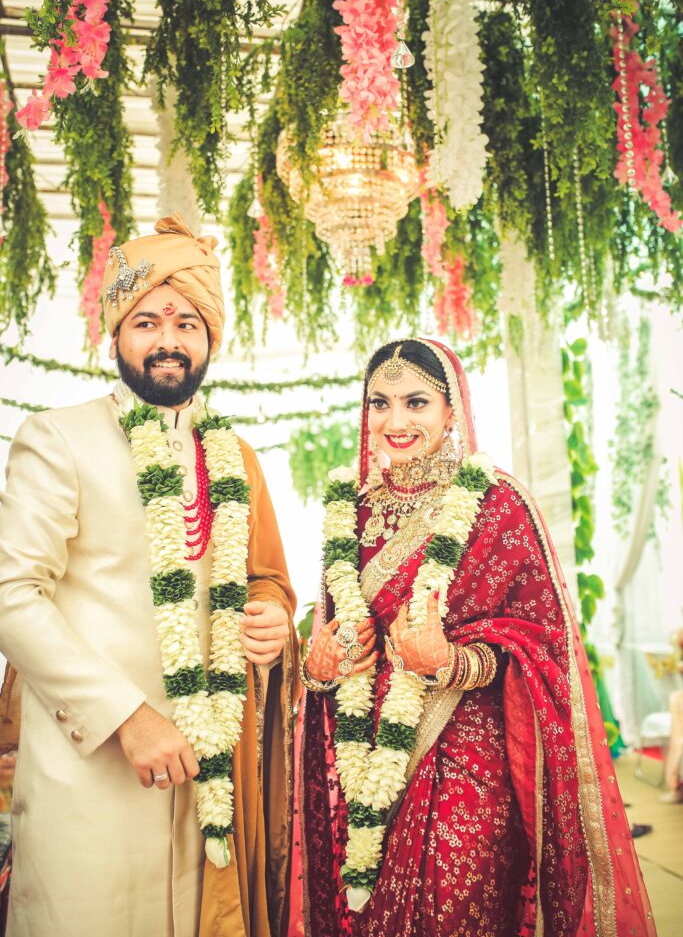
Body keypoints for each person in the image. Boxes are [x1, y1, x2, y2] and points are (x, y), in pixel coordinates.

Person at [0, 213, 298, 937]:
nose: (168, 339)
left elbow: (266, 580)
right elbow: (10, 595)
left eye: (187, 321)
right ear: (115, 334)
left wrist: (270, 617)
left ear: (210, 338)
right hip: (94, 769)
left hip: (211, 774)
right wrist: (125, 716)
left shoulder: (235, 456)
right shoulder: (58, 438)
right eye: (147, 320)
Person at [298, 338, 656, 937]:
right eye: (379, 404)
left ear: (450, 408)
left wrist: (452, 660)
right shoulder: (352, 512)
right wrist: (322, 662)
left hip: (469, 756)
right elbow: (330, 632)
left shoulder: (497, 503)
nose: (396, 421)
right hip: (365, 762)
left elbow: (542, 638)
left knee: (455, 909)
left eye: (416, 402)